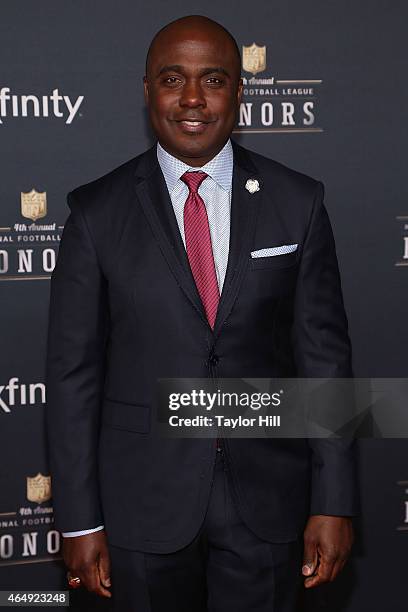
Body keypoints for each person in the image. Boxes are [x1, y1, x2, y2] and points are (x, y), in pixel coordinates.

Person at [46, 14, 358, 612]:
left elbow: (325, 362)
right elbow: (72, 380)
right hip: (142, 506)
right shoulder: (95, 213)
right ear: (146, 91)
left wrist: (334, 499)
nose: (192, 98)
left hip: (268, 502)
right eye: (172, 78)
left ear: (239, 93)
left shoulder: (300, 202)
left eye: (213, 79)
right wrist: (81, 522)